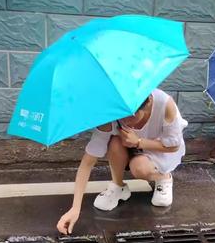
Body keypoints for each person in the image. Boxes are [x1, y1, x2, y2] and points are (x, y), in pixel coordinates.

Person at [57, 89, 188, 235]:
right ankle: (118, 186)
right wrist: (75, 209)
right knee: (114, 142)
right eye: (121, 115)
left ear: (148, 102)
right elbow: (87, 162)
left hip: (160, 149)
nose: (126, 121)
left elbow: (173, 146)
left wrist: (139, 142)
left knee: (139, 168)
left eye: (131, 116)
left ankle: (164, 177)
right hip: (129, 147)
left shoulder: (165, 104)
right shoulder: (111, 115)